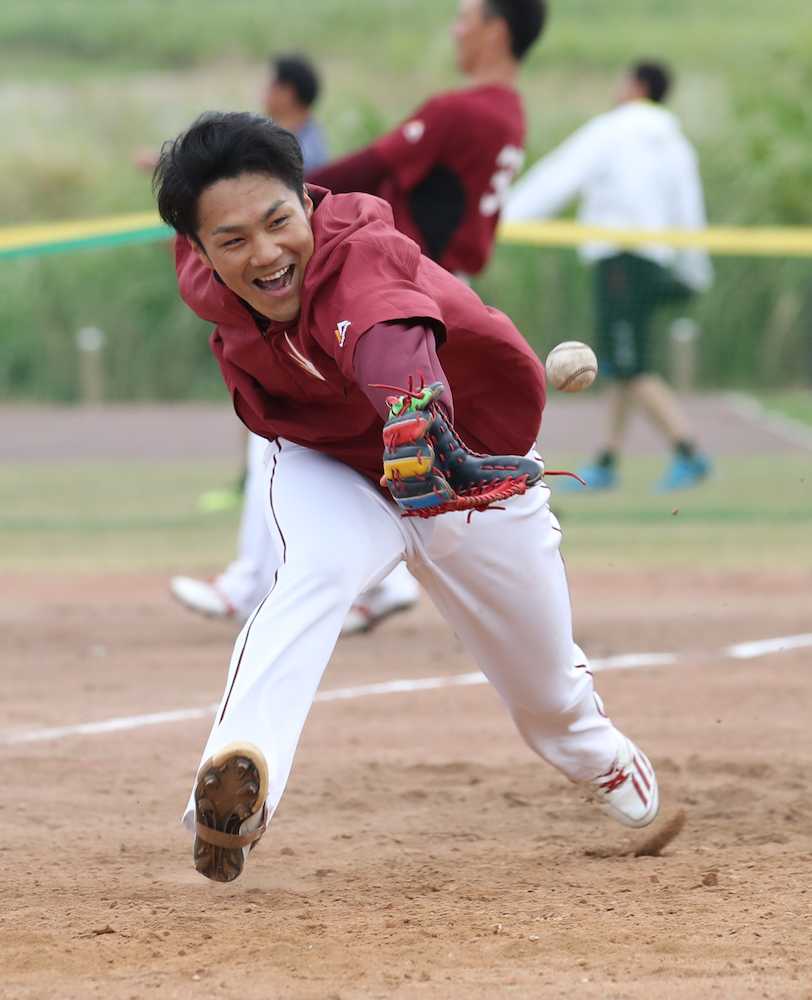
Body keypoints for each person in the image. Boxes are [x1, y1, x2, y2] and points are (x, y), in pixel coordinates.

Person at [154, 110, 660, 884]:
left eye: (278, 221)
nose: (264, 253)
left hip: (468, 476)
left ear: (308, 202)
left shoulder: (361, 254)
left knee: (546, 690)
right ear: (197, 250)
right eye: (231, 241)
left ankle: (601, 757)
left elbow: (389, 331)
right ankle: (232, 790)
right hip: (332, 469)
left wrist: (409, 409)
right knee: (311, 579)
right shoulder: (205, 276)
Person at [302, 0, 546, 629]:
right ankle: (372, 579)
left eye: (466, 18)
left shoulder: (460, 109)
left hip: (406, 290)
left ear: (497, 29)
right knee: (426, 436)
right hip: (440, 284)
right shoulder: (510, 112)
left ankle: (332, 579)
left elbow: (370, 168)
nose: (456, 29)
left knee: (320, 423)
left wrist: (276, 190)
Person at [168, 53, 332, 624]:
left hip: (319, 329)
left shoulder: (291, 157)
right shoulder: (278, 146)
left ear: (288, 91)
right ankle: (372, 588)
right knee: (281, 443)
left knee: (279, 443)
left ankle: (246, 584)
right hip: (293, 333)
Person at [505, 60, 714, 492]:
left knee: (630, 365)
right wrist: (696, 267)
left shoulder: (614, 129)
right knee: (623, 361)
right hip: (653, 259)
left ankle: (689, 450)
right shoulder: (675, 141)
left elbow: (560, 173)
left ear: (636, 85)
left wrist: (505, 219)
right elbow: (688, 206)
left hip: (619, 259)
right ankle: (607, 459)